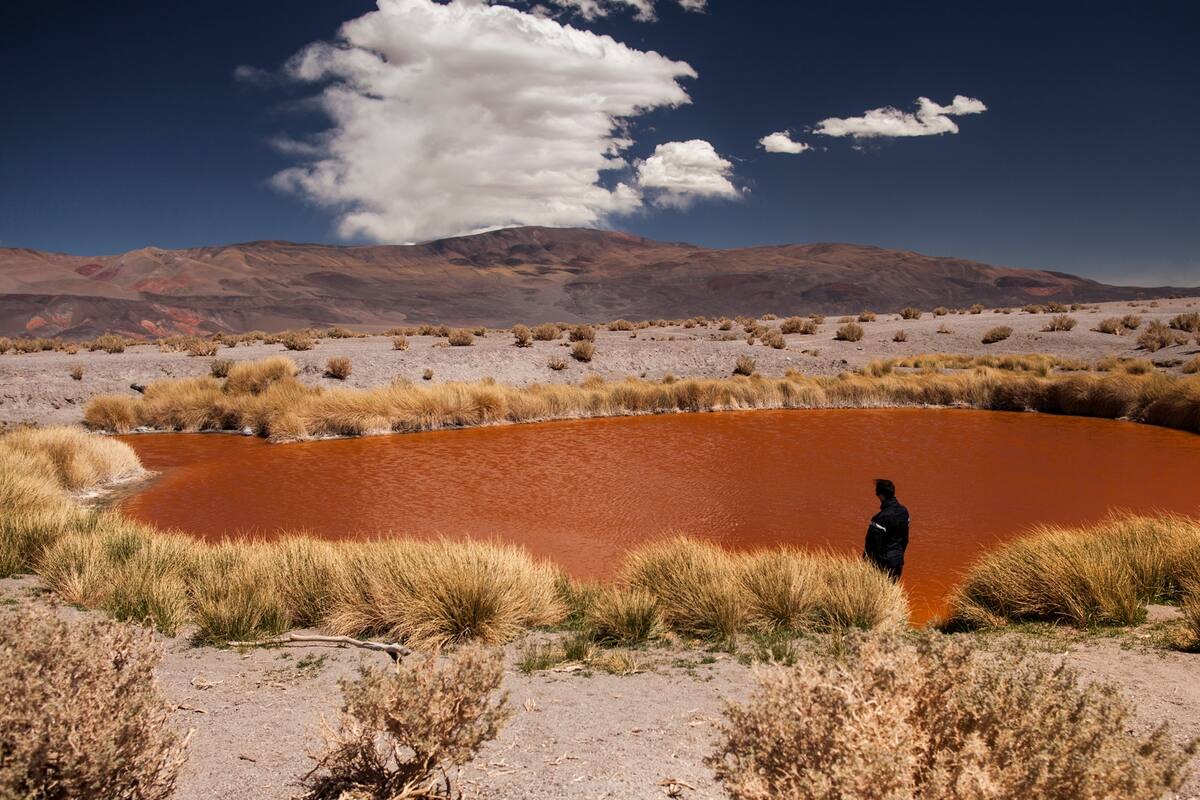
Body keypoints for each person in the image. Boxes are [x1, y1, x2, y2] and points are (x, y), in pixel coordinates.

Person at [863, 478, 909, 580]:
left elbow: (872, 545)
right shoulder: (904, 512)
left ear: (881, 496)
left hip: (884, 563)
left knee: (880, 588)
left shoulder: (880, 518)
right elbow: (905, 539)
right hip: (898, 561)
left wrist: (867, 563)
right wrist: (899, 554)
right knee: (893, 587)